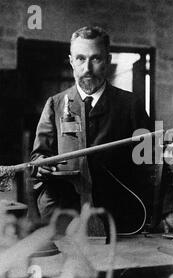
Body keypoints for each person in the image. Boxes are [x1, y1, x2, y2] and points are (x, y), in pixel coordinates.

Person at [30, 26, 151, 234]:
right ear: (71, 61)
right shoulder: (55, 104)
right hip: (65, 220)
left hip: (119, 221)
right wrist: (40, 165)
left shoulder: (130, 105)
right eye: (80, 59)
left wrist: (164, 212)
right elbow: (38, 157)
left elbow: (152, 163)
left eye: (96, 59)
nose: (87, 68)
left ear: (108, 59)